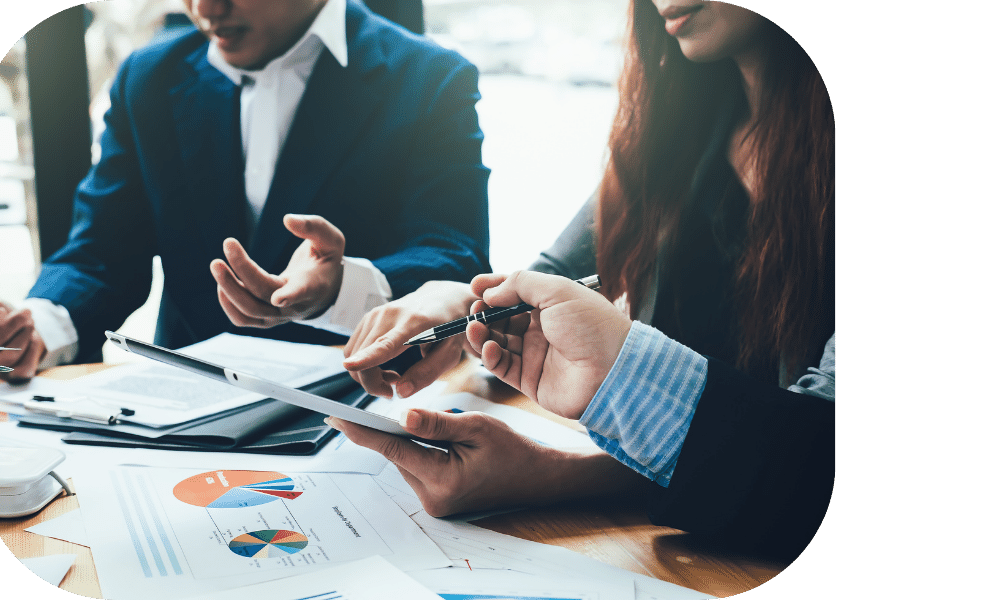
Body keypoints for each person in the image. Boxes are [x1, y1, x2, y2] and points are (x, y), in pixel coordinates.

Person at [332, 0, 835, 560]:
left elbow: (821, 459)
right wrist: (456, 303)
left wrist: (558, 470)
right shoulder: (674, 132)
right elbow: (545, 284)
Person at [0, 0, 490, 378]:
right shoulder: (148, 77)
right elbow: (101, 254)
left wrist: (342, 288)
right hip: (183, 408)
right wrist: (36, 326)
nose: (205, 9)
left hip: (366, 401)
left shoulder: (431, 78)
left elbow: (454, 254)